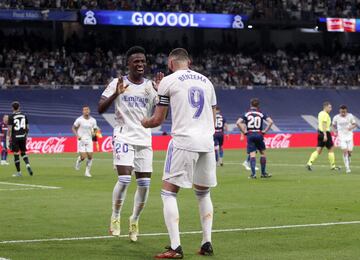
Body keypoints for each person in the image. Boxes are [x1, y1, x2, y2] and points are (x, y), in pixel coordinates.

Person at [141, 48, 217, 258]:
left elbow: (158, 120)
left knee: (168, 193)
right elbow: (213, 114)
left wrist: (143, 121)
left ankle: (175, 247)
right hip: (207, 143)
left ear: (171, 63)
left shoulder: (169, 80)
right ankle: (206, 242)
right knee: (203, 193)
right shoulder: (206, 81)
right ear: (189, 62)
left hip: (184, 141)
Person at [98, 46, 162, 242]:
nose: (140, 64)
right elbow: (100, 108)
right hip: (123, 136)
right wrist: (116, 94)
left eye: (143, 61)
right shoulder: (117, 83)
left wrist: (162, 93)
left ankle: (134, 219)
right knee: (125, 179)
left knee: (144, 185)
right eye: (136, 61)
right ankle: (115, 216)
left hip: (144, 138)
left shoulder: (150, 86)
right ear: (128, 64)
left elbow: (163, 111)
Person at [237, 98, 273, 179]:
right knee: (263, 154)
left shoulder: (246, 114)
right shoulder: (261, 113)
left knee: (252, 155)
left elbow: (238, 122)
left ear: (250, 105)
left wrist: (244, 132)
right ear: (258, 105)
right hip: (259, 134)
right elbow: (271, 122)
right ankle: (263, 173)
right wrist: (265, 131)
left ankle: (253, 174)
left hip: (250, 134)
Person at [307, 102, 340, 171]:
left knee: (318, 150)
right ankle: (333, 166)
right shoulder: (325, 114)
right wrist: (325, 135)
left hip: (320, 133)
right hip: (325, 133)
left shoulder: (320, 113)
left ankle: (309, 163)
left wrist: (333, 130)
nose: (331, 109)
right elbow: (324, 124)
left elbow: (322, 124)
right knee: (331, 149)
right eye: (329, 107)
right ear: (325, 107)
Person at [7, 101, 33, 177]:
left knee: (16, 154)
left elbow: (9, 129)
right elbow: (28, 128)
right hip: (23, 136)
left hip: (15, 137)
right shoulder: (24, 115)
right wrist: (26, 135)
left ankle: (19, 172)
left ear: (12, 108)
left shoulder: (11, 116)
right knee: (23, 152)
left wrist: (9, 138)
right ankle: (27, 165)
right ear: (19, 107)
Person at [72, 105, 98, 178]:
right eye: (84, 110)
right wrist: (77, 135)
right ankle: (79, 160)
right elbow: (73, 128)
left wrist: (94, 133)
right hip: (81, 140)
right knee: (83, 157)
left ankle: (87, 172)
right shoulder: (79, 120)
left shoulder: (93, 120)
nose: (86, 111)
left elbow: (95, 128)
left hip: (89, 139)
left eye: (87, 109)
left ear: (89, 111)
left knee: (90, 156)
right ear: (83, 111)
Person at [332, 105, 357, 173]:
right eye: (342, 112)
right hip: (341, 137)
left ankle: (349, 157)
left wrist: (350, 128)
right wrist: (335, 131)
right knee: (345, 151)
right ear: (340, 111)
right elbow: (333, 125)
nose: (343, 113)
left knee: (350, 152)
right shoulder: (336, 117)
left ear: (346, 111)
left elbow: (355, 124)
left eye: (344, 112)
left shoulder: (350, 116)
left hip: (349, 136)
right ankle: (347, 168)